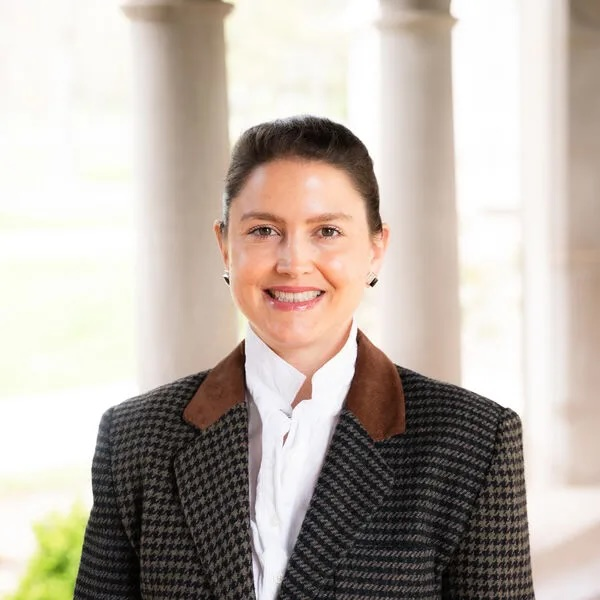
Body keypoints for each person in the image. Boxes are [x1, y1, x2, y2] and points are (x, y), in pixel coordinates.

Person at [75, 115, 535, 599]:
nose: (293, 263)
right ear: (225, 246)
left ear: (376, 249)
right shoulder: (135, 440)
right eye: (263, 230)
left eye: (327, 231)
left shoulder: (474, 444)